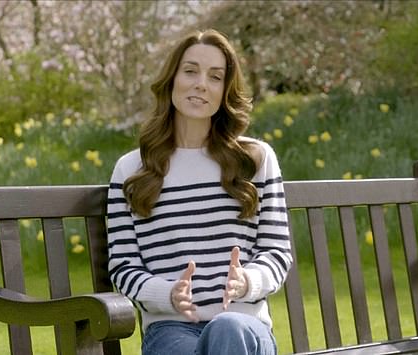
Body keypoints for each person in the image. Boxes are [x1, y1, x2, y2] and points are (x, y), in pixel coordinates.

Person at [107, 28, 292, 355]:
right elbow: (123, 266)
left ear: (225, 90)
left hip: (243, 323)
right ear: (172, 79)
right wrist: (168, 294)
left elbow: (276, 252)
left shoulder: (255, 160)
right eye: (190, 71)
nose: (201, 84)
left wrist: (246, 282)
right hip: (170, 329)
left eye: (215, 76)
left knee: (228, 328)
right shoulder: (132, 169)